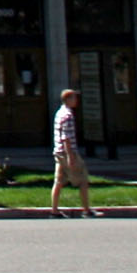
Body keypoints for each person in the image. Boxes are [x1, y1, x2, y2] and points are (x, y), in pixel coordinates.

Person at [50, 87, 94, 217]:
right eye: (74, 98)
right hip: (68, 152)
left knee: (58, 181)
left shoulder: (59, 113)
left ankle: (54, 210)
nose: (76, 100)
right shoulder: (68, 115)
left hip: (58, 152)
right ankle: (86, 210)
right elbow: (66, 138)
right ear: (68, 99)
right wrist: (71, 157)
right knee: (83, 180)